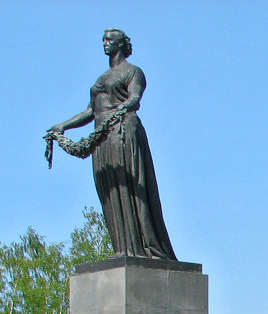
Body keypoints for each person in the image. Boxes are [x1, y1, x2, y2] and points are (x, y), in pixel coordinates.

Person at [46, 28, 176, 260]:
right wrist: (63, 126)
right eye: (103, 40)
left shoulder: (133, 71)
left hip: (123, 131)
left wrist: (124, 107)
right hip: (101, 138)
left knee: (127, 186)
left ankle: (142, 248)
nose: (105, 43)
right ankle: (122, 248)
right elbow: (90, 111)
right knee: (108, 190)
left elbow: (135, 97)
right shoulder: (101, 79)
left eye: (110, 40)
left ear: (121, 44)